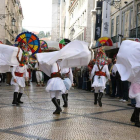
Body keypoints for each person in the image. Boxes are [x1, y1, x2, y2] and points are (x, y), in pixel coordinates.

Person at [116, 40, 140, 127]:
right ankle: (137, 121)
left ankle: (133, 118)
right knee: (139, 102)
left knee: (139, 103)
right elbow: (133, 72)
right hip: (136, 86)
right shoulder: (137, 68)